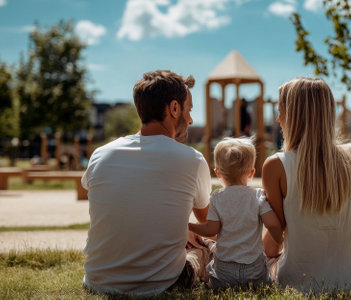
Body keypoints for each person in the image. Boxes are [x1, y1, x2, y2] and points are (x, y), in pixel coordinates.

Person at [81, 70, 212, 296]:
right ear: (174, 108)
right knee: (203, 247)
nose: (190, 119)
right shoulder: (192, 160)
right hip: (166, 283)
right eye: (188, 110)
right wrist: (188, 230)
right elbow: (210, 224)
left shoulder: (101, 154)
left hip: (97, 281)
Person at [262, 77, 351, 292]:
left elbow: (272, 246)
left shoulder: (276, 166)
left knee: (266, 263)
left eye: (281, 111)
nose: (278, 119)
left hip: (301, 283)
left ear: (295, 116)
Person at [189, 137, 283, 288]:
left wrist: (190, 226)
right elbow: (272, 224)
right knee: (268, 269)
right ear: (252, 173)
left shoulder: (217, 198)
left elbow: (211, 229)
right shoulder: (257, 196)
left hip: (224, 272)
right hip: (254, 272)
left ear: (218, 173)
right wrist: (279, 239)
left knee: (211, 265)